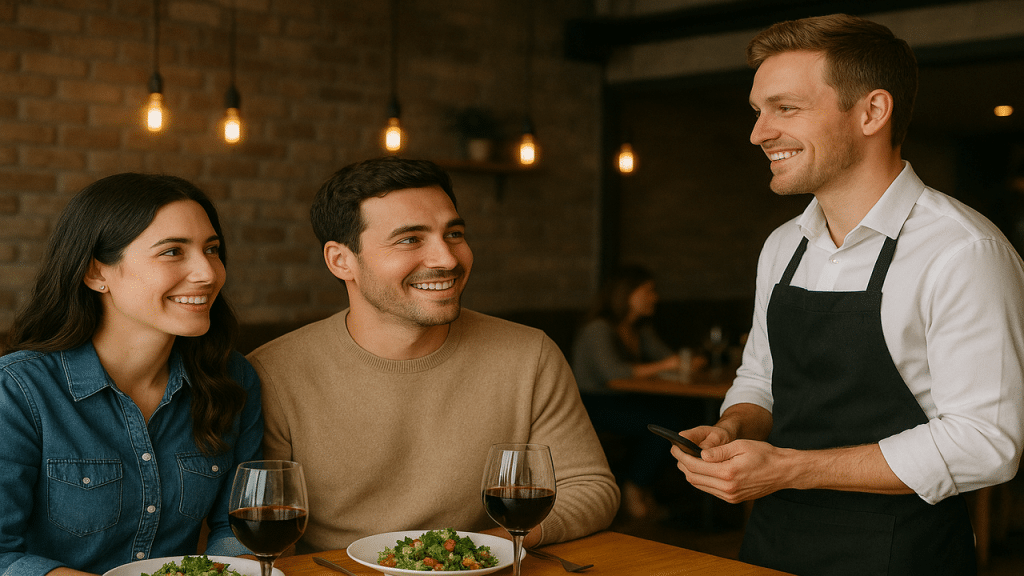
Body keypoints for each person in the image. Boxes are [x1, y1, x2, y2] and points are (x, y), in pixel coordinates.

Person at [671, 14, 1024, 576]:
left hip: (902, 554)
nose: (759, 133)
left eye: (786, 108)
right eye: (758, 111)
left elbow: (985, 444)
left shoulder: (964, 251)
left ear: (872, 112)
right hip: (773, 542)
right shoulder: (783, 245)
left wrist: (789, 468)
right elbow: (760, 379)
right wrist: (732, 428)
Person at [247, 156, 620, 553]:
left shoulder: (529, 355)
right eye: (410, 239)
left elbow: (590, 487)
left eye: (454, 233)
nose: (447, 259)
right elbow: (261, 530)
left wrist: (472, 551)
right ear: (342, 261)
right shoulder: (273, 373)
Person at [0, 173, 264, 576]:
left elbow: (237, 526)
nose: (209, 273)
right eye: (172, 251)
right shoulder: (18, 391)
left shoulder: (232, 378)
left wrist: (229, 568)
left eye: (211, 249)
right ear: (96, 273)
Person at [571, 264, 688, 518]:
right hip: (592, 404)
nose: (655, 297)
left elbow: (668, 358)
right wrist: (668, 365)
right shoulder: (598, 329)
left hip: (624, 400)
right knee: (663, 424)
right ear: (626, 294)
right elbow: (612, 373)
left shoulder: (639, 329)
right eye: (648, 291)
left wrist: (680, 362)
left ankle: (644, 488)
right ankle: (635, 488)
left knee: (679, 417)